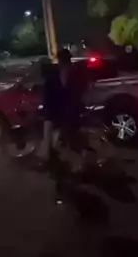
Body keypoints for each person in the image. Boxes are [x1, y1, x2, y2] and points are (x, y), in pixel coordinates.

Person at [41, 49, 89, 203]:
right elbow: (47, 102)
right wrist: (49, 121)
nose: (65, 65)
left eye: (67, 62)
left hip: (71, 120)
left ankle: (73, 179)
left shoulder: (75, 78)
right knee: (54, 152)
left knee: (73, 150)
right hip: (56, 119)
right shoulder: (52, 79)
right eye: (63, 62)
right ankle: (62, 184)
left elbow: (79, 96)